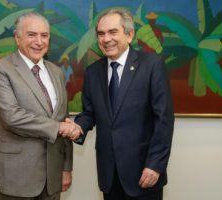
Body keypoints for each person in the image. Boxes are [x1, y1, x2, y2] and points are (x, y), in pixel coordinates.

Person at [74, 8, 175, 200]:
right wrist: (77, 127)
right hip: (109, 176)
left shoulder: (152, 65)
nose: (106, 39)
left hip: (144, 173)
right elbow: (89, 113)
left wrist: (155, 164)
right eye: (101, 34)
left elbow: (164, 120)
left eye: (113, 32)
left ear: (129, 35)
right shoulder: (93, 72)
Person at [0, 11, 81, 200]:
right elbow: (12, 117)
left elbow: (63, 119)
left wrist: (66, 168)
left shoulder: (57, 72)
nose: (39, 41)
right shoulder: (0, 69)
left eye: (44, 35)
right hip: (18, 177)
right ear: (17, 38)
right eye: (31, 34)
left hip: (53, 178)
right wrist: (59, 127)